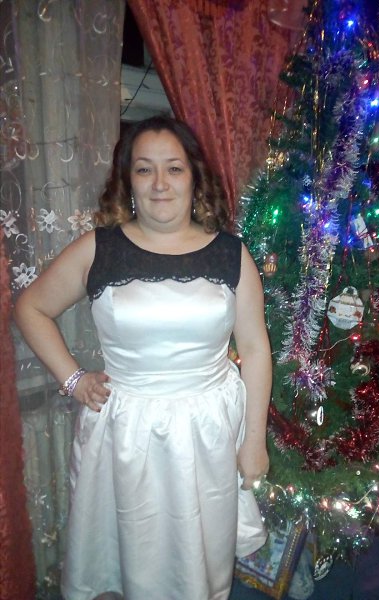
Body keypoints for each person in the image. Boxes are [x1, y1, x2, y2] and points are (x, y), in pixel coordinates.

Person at [14, 116, 272, 600]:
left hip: (207, 430)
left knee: (200, 553)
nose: (159, 184)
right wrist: (73, 379)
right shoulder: (99, 249)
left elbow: (255, 349)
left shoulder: (232, 254)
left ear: (194, 177)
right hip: (125, 432)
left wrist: (254, 441)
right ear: (127, 179)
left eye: (173, 168)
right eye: (144, 169)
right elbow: (31, 308)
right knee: (134, 548)